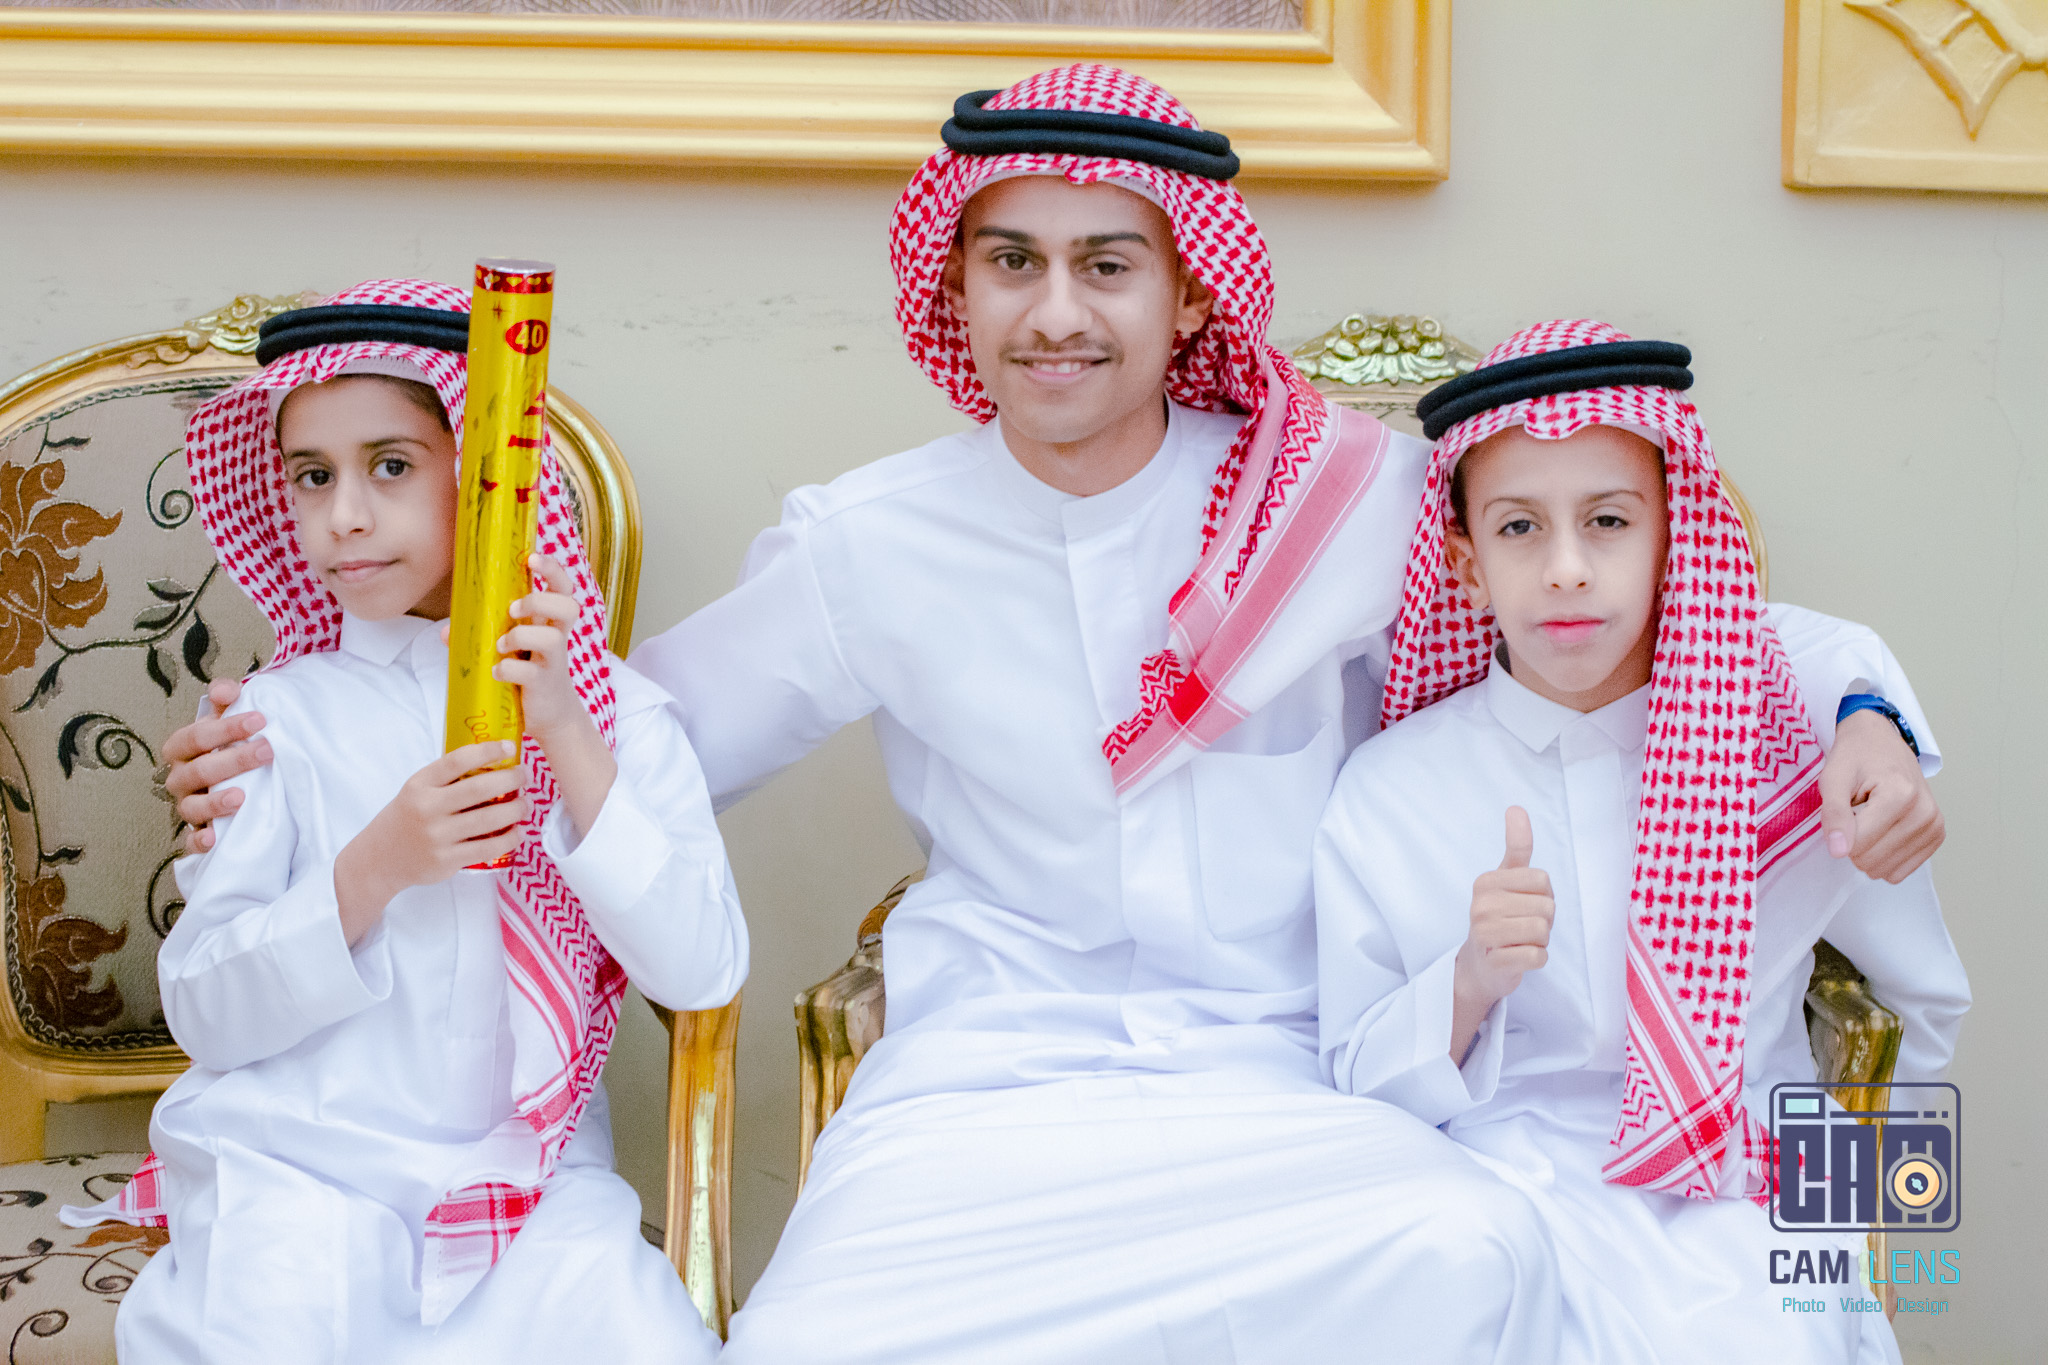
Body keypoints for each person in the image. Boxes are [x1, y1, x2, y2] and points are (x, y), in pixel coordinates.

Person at [163, 72, 1944, 1362]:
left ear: (1187, 293)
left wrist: (1864, 705)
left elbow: (1650, 615)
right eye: (1012, 263)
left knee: (1466, 1258)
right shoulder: (868, 541)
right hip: (984, 1077)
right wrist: (301, 764)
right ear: (957, 291)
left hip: (1285, 1072)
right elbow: (637, 740)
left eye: (1109, 264)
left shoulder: (1343, 498)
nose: (1058, 312)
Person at [64, 279, 746, 1365]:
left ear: (485, 476)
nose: (344, 515)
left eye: (390, 466)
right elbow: (206, 1013)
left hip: (524, 1185)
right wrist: (372, 869)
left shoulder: (618, 720)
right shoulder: (270, 725)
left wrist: (565, 731)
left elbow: (701, 970)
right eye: (312, 475)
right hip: (296, 1170)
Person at [1313, 320, 1970, 1364]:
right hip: (1489, 1187)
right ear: (1465, 565)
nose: (1567, 570)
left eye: (1610, 521)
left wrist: (1848, 1243)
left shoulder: (1789, 747)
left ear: (1675, 541)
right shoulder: (1390, 790)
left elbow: (1916, 1009)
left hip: (1748, 1184)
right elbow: (1352, 1073)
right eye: (1518, 528)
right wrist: (1469, 979)